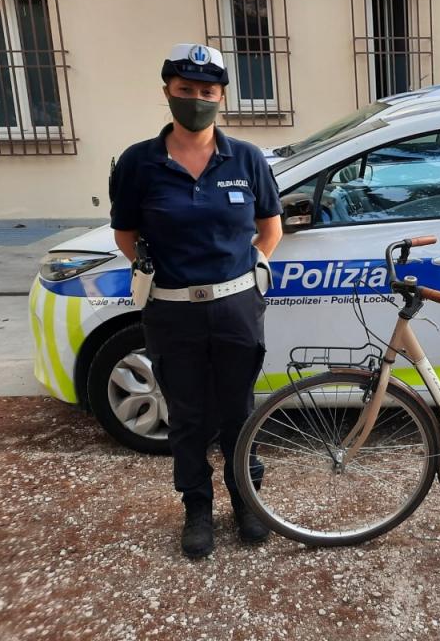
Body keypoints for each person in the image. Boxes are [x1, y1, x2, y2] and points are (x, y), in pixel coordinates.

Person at [109, 43, 283, 558]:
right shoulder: (140, 162)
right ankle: (197, 508)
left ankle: (246, 500)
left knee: (238, 409)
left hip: (235, 306)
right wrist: (153, 268)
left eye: (207, 91)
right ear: (168, 91)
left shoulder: (246, 159)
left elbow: (269, 228)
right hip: (171, 307)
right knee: (186, 414)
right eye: (186, 90)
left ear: (221, 97)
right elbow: (126, 234)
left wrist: (250, 274)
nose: (196, 99)